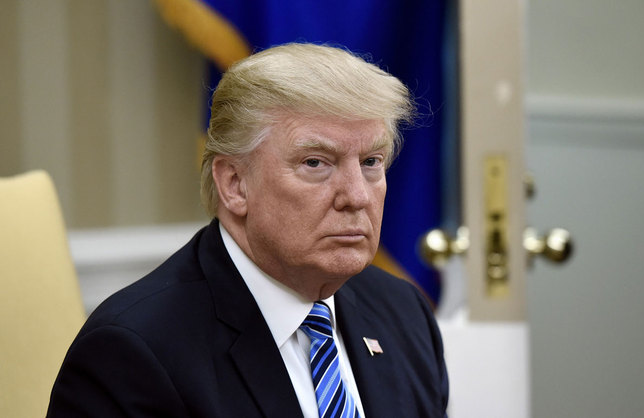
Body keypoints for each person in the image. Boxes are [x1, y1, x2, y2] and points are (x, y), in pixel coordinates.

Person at [48, 43, 448, 417]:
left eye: (371, 162)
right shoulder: (132, 353)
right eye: (315, 163)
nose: (357, 196)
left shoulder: (403, 311)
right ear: (235, 183)